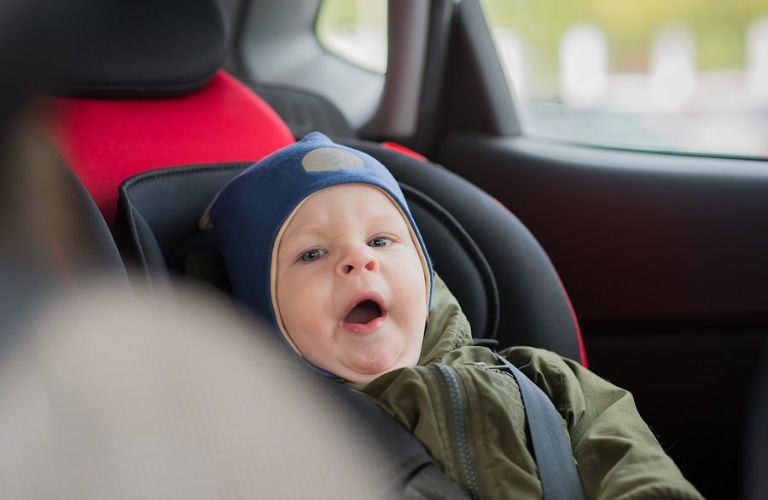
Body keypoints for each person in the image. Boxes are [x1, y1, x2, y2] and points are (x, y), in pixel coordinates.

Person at [203, 132, 703, 500]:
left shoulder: (537, 377)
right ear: (260, 312)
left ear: (424, 276)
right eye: (312, 254)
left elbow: (634, 466)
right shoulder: (280, 437)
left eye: (381, 241)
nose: (358, 259)